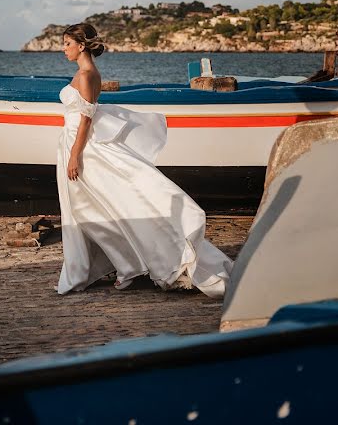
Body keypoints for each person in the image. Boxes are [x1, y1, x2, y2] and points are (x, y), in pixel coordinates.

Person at [56, 23, 232, 297]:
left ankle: (127, 266)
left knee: (93, 210)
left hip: (83, 148)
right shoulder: (84, 74)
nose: (63, 48)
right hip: (74, 145)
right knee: (93, 210)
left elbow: (86, 120)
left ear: (81, 46)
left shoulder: (87, 75)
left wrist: (75, 156)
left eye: (67, 43)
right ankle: (123, 265)